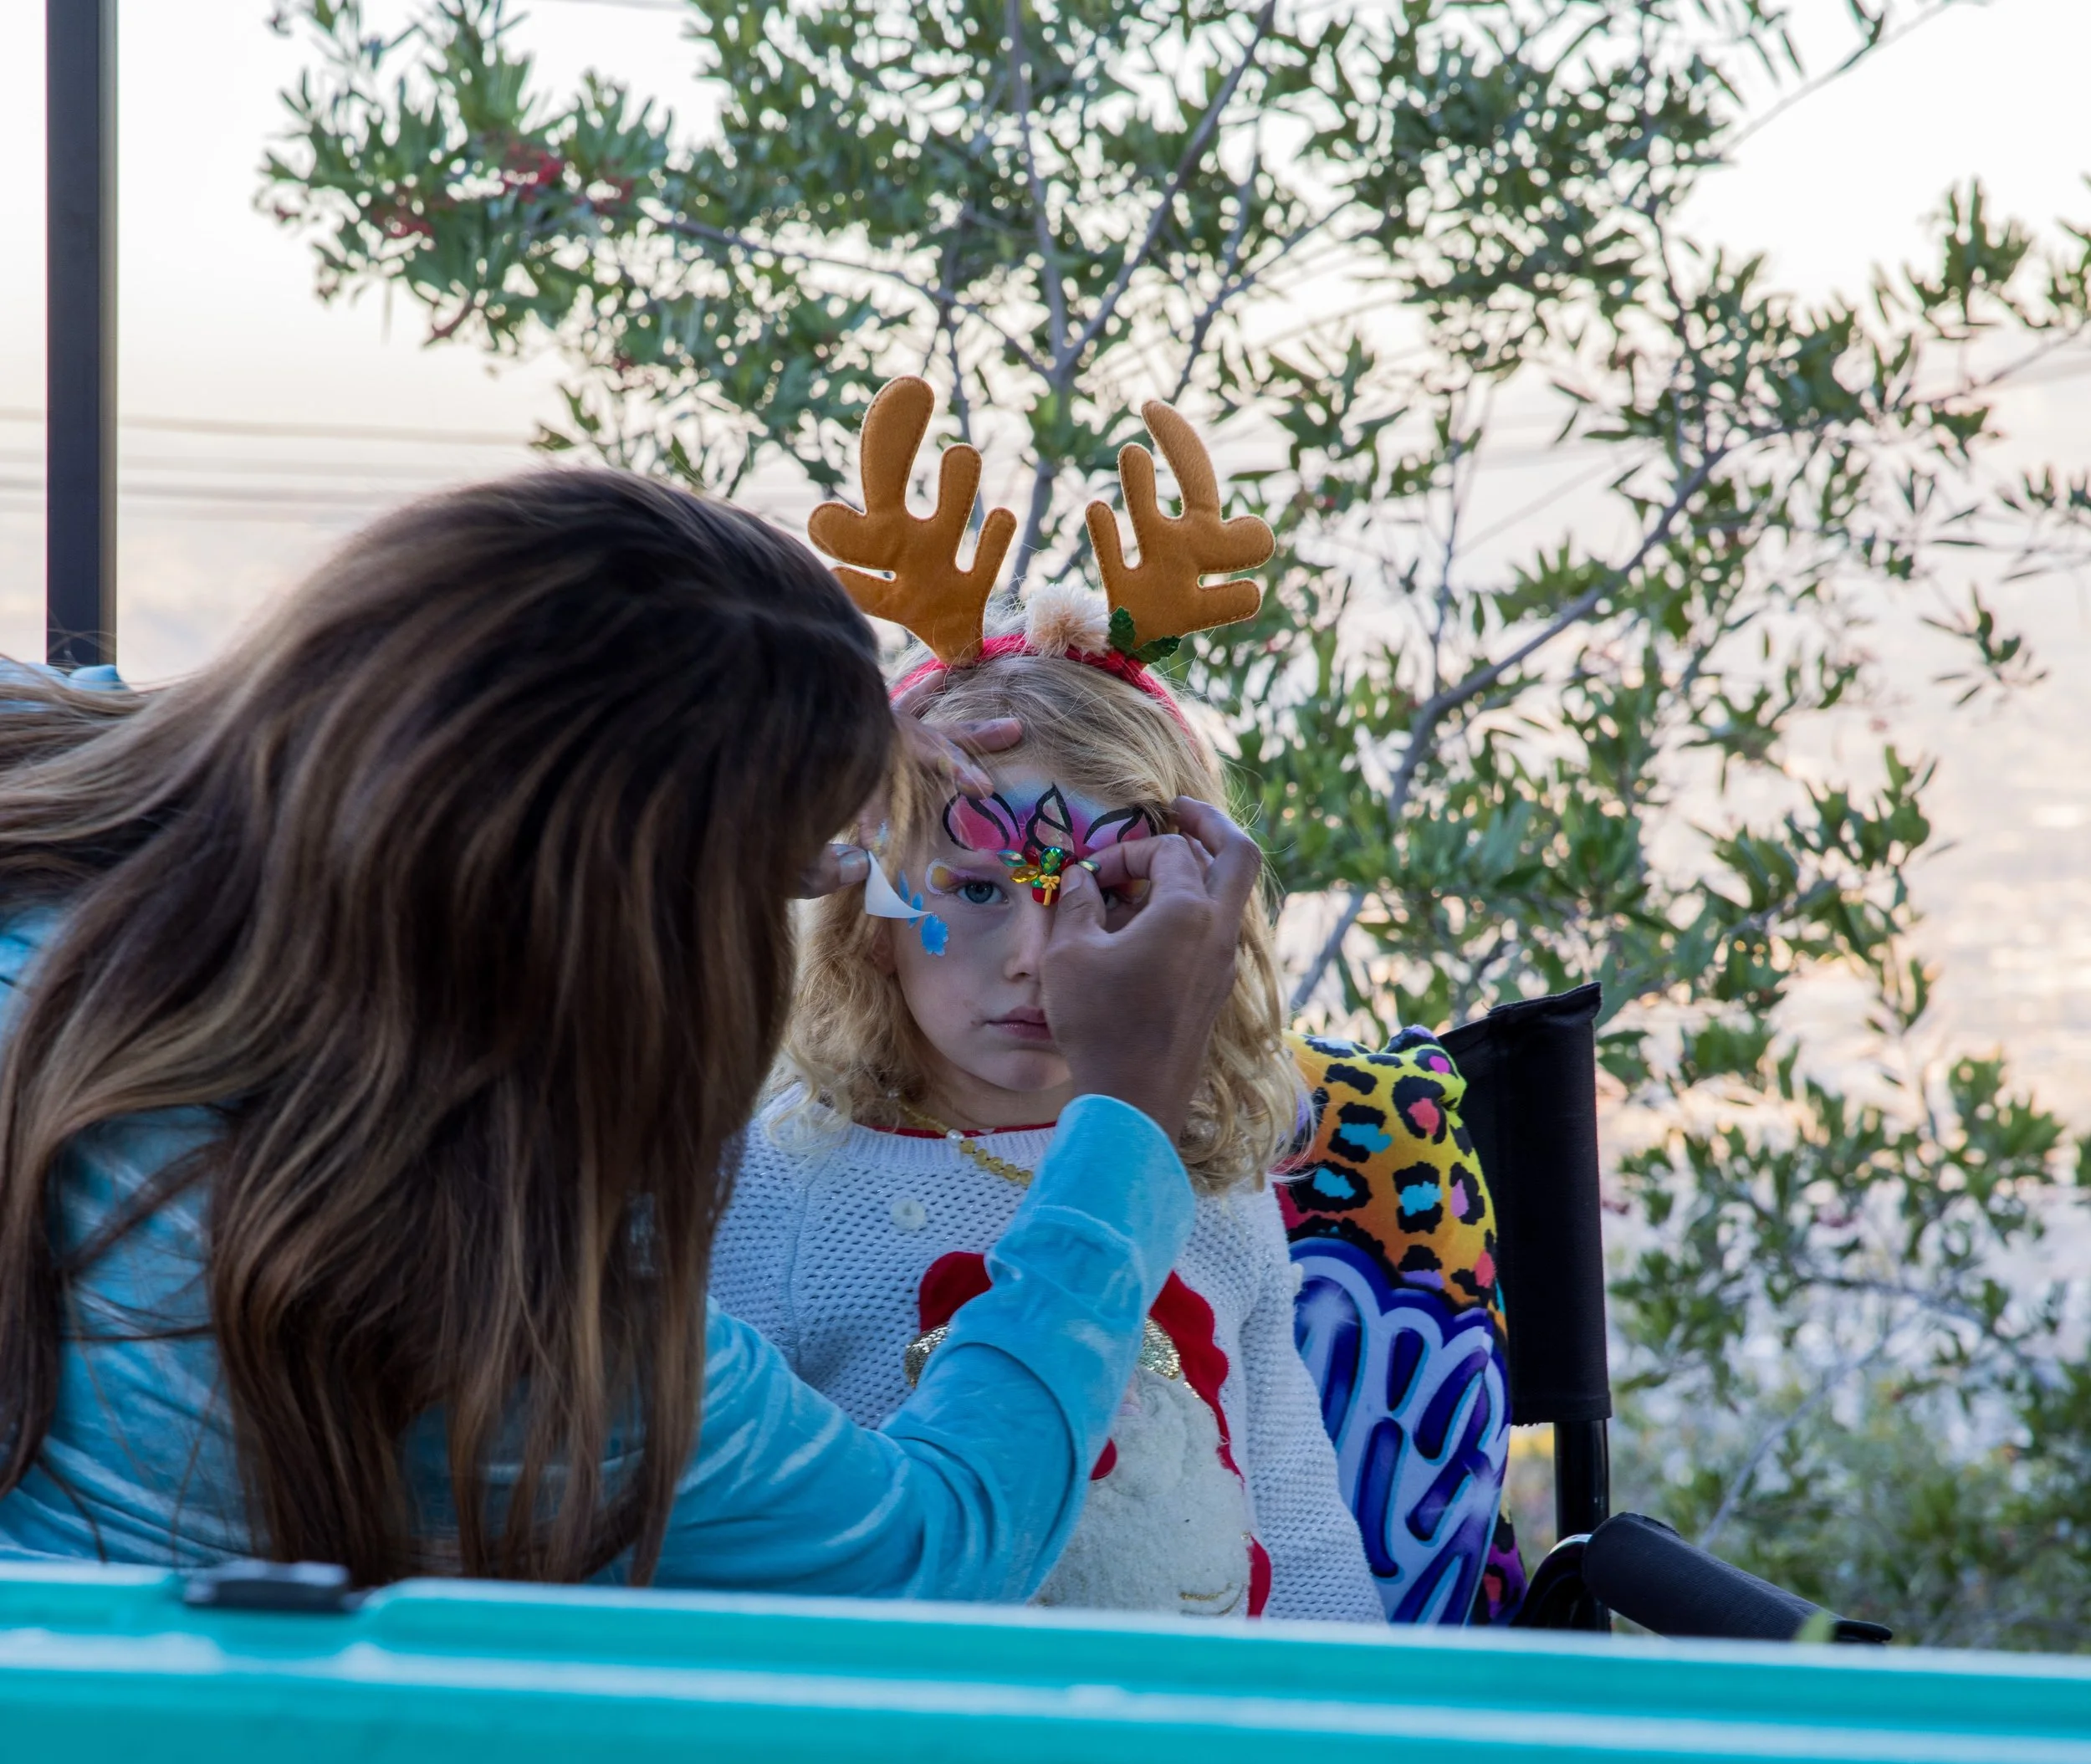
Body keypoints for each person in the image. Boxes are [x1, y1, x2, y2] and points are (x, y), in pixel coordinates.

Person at [0, 468, 1259, 1601]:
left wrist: (756, 768)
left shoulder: (47, 873)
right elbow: (934, 1545)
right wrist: (1130, 1112)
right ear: (648, 943)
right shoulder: (515, 1311)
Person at [715, 606, 1383, 1623]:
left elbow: (1292, 1522)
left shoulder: (1212, 1183)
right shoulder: (777, 1178)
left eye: (1107, 895)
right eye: (978, 888)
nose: (1039, 953)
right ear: (868, 904)